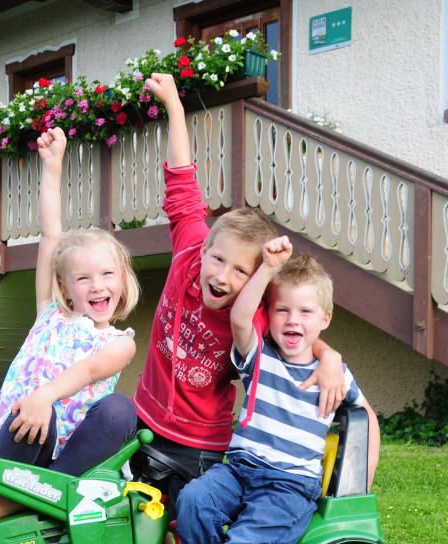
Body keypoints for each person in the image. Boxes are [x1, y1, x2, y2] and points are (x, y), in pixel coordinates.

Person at [161, 240, 380, 544]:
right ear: (269, 312)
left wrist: (361, 483)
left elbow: (366, 417)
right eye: (282, 310)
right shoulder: (258, 356)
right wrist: (267, 267)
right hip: (241, 471)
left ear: (325, 318)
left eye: (305, 312)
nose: (292, 320)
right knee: (193, 500)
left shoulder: (334, 374)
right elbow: (240, 317)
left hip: (289, 486)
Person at [133, 73, 347, 518]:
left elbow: (294, 330)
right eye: (218, 260)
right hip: (145, 419)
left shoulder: (253, 315)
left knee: (187, 527)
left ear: (254, 281)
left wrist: (329, 357)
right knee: (133, 524)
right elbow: (181, 180)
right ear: (204, 248)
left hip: (201, 443)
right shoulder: (190, 248)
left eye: (240, 272)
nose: (223, 276)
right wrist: (174, 106)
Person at [0, 127, 140, 543]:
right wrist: (52, 167)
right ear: (64, 286)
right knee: (35, 413)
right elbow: (50, 236)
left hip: (72, 460)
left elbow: (89, 371)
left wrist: (44, 395)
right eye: (83, 278)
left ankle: (13, 501)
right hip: (26, 444)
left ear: (122, 278)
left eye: (107, 274)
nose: (97, 286)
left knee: (120, 411)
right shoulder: (50, 314)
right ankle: (7, 494)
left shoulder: (121, 342)